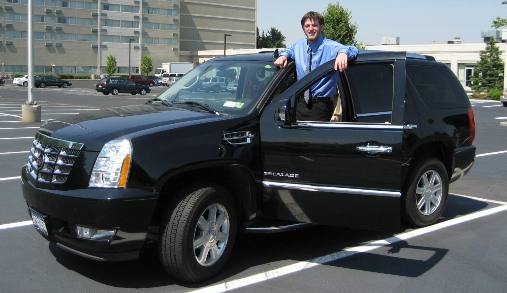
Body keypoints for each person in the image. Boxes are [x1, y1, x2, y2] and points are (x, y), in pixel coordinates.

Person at [274, 11, 358, 121]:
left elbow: (353, 49)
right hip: (300, 103)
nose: (310, 29)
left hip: (321, 105)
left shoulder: (330, 46)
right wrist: (283, 56)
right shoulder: (299, 46)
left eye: (314, 25)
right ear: (303, 29)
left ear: (321, 27)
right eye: (307, 26)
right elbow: (288, 50)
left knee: (313, 138)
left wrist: (343, 53)